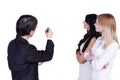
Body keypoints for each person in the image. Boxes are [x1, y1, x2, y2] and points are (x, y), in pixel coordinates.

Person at [7, 15, 54, 80]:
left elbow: (16, 63)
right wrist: (49, 38)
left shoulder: (11, 44)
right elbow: (48, 55)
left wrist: (34, 63)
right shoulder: (28, 49)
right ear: (31, 31)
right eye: (35, 28)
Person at [85, 13, 120, 80]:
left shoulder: (113, 45)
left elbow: (98, 65)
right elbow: (86, 55)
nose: (94, 24)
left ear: (105, 26)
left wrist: (91, 58)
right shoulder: (98, 40)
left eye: (97, 23)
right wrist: (95, 58)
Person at [76, 14, 101, 80]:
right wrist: (78, 53)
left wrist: (78, 53)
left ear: (90, 23)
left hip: (88, 72)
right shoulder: (87, 37)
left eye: (85, 20)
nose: (83, 22)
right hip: (82, 71)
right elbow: (80, 56)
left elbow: (81, 59)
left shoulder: (94, 39)